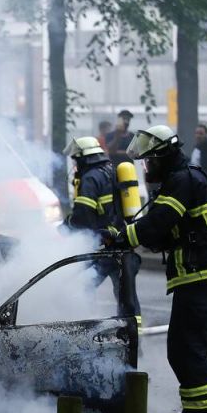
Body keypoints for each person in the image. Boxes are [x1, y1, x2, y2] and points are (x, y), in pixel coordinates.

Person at [108, 124, 207, 413]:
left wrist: (122, 238)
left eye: (149, 160)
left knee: (184, 345)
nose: (146, 166)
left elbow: (158, 222)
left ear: (164, 156)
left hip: (197, 273)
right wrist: (130, 234)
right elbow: (165, 231)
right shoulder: (188, 177)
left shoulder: (181, 181)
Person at [62, 136, 141, 326]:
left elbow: (82, 217)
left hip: (102, 246)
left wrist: (64, 227)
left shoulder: (90, 178)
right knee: (126, 297)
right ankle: (134, 338)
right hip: (121, 242)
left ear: (83, 157)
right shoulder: (111, 171)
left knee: (81, 286)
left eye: (75, 159)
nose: (74, 164)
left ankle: (87, 329)